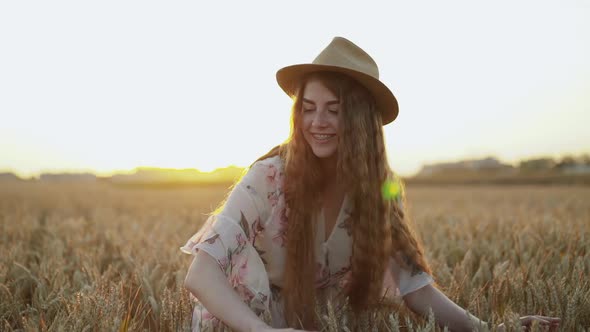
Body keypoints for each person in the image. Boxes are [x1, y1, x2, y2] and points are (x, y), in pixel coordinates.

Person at [181, 37, 560, 332]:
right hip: (246, 324)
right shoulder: (270, 176)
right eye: (308, 108)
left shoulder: (382, 188)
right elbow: (201, 274)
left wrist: (493, 328)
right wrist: (262, 330)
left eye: (334, 109)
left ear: (361, 118)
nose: (318, 121)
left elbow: (417, 289)